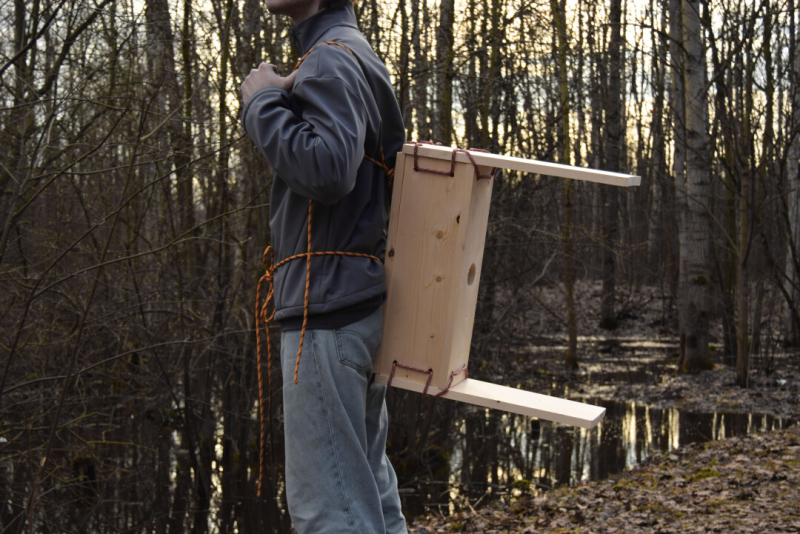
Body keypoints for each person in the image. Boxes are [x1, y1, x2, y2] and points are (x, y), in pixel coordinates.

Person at [240, 0, 407, 532]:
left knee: (328, 513)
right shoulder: (352, 56)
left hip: (328, 311)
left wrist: (262, 102)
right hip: (353, 306)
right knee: (370, 497)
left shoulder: (329, 59)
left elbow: (329, 170)